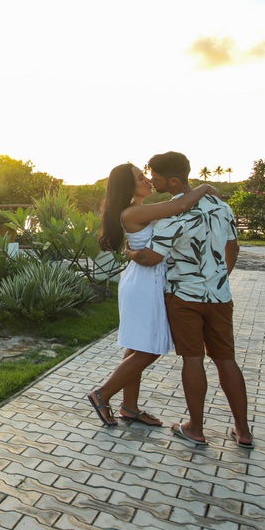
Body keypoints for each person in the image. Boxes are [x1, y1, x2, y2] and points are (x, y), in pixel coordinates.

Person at [84, 165, 216, 428]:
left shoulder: (138, 209)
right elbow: (180, 206)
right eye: (141, 178)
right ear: (128, 186)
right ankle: (102, 394)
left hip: (144, 279)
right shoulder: (133, 212)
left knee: (136, 347)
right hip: (145, 282)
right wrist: (204, 187)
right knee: (150, 348)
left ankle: (129, 408)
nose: (148, 181)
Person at [141, 151, 252, 448]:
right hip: (219, 297)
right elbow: (233, 248)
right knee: (226, 359)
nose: (152, 181)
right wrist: (218, 278)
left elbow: (152, 257)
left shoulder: (171, 213)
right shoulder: (221, 206)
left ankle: (196, 429)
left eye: (156, 177)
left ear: (173, 181)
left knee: (193, 359)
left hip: (184, 297)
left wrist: (130, 252)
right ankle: (243, 431)